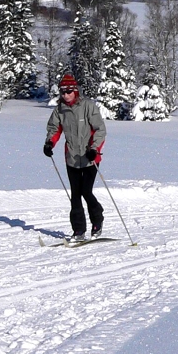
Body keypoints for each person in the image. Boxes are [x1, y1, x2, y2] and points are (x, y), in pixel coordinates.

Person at [45, 74, 107, 240]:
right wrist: (49, 143)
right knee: (75, 195)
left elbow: (100, 130)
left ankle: (97, 218)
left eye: (69, 91)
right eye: (63, 92)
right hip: (72, 158)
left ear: (75, 91)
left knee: (86, 191)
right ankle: (79, 230)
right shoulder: (60, 110)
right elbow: (54, 129)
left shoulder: (87, 106)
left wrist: (94, 149)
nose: (66, 95)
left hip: (90, 158)